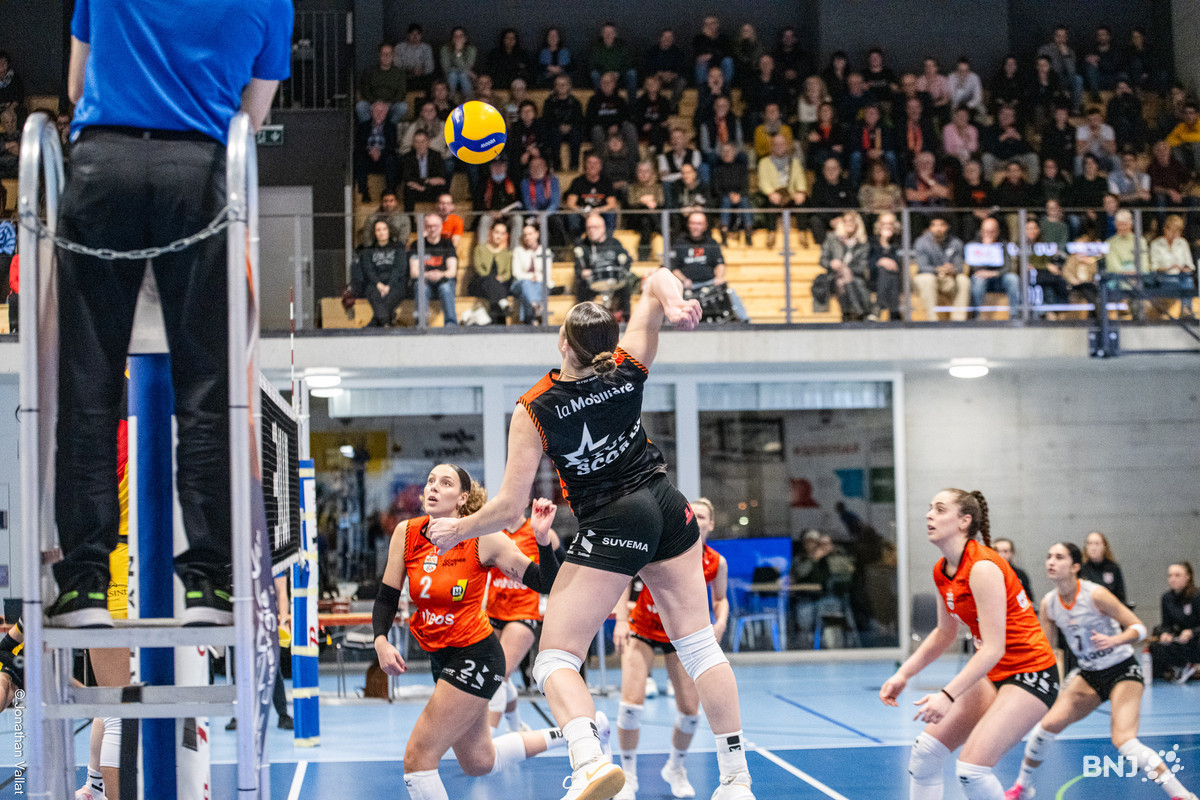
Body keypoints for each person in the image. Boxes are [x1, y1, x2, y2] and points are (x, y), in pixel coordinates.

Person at [427, 267, 756, 800]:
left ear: (563, 341)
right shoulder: (627, 366)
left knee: (556, 658)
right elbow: (657, 278)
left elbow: (509, 507)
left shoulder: (535, 407)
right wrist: (675, 305)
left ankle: (587, 761)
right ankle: (736, 780)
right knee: (699, 648)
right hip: (668, 507)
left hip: (613, 520)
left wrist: (457, 529)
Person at [48, 0, 290, 627]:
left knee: (88, 383)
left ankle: (84, 586)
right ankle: (209, 586)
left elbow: (75, 86)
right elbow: (252, 117)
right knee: (206, 388)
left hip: (103, 167)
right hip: (200, 173)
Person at [372, 468, 571, 799]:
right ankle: (574, 733)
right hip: (440, 655)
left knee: (417, 759)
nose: (434, 487)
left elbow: (545, 582)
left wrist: (541, 538)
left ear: (462, 498)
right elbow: (386, 597)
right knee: (479, 761)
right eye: (431, 481)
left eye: (445, 483)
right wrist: (380, 640)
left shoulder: (484, 538)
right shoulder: (406, 533)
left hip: (476, 655)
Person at [880, 489, 1058, 800]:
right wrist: (903, 674)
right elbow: (944, 633)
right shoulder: (942, 569)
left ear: (964, 521)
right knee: (925, 755)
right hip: (993, 673)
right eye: (930, 508)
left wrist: (947, 695)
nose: (929, 515)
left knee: (971, 771)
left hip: (1031, 673)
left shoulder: (982, 567)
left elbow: (993, 648)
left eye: (940, 509)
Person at [1006, 543, 1197, 800]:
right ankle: (1023, 787)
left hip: (1122, 670)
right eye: (1049, 556)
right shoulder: (1049, 604)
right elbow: (1045, 649)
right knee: (1045, 727)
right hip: (1089, 675)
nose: (1051, 561)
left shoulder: (1096, 595)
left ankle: (1182, 795)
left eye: (1059, 557)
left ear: (1075, 566)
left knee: (1125, 741)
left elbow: (1139, 628)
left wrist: (1115, 640)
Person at [612, 497, 730, 800]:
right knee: (630, 707)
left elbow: (720, 599)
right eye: (694, 514)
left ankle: (676, 768)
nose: (698, 520)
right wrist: (621, 621)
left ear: (711, 524)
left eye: (703, 516)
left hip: (680, 635)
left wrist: (720, 623)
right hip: (641, 629)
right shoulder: (660, 547)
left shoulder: (715, 562)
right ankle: (628, 775)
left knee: (690, 712)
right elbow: (623, 580)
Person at [485, 511, 562, 733]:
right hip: (494, 611)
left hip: (523, 612)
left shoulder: (539, 532)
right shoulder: (492, 533)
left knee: (498, 674)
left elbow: (563, 571)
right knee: (496, 674)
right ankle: (516, 726)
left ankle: (488, 736)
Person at [669, 211, 750, 322]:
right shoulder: (679, 243)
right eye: (693, 223)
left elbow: (720, 264)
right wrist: (684, 280)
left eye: (699, 224)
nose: (696, 227)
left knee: (730, 292)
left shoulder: (711, 243)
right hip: (688, 286)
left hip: (709, 283)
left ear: (705, 226)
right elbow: (674, 268)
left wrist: (719, 278)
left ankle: (746, 322)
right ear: (688, 225)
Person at [572, 212, 634, 319]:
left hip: (613, 281)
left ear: (603, 228)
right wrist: (583, 273)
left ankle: (625, 318)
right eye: (589, 228)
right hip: (593, 282)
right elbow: (578, 269)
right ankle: (583, 319)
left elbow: (627, 260)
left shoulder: (614, 243)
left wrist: (622, 267)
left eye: (595, 227)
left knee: (625, 286)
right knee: (581, 287)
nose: (591, 230)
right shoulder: (583, 246)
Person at [1150, 562, 1200, 684]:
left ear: (1188, 577)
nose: (1173, 579)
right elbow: (1166, 624)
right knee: (1156, 644)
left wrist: (1192, 632)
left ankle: (1193, 667)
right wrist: (1165, 633)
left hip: (1196, 636)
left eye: (1177, 575)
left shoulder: (1197, 596)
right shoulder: (1166, 598)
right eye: (1170, 576)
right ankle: (1171, 670)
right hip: (1180, 638)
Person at [912, 214, 969, 321]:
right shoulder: (922, 242)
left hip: (949, 279)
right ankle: (932, 321)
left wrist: (952, 269)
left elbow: (959, 267)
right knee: (927, 279)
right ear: (930, 227)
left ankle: (958, 320)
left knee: (963, 280)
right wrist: (938, 269)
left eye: (942, 225)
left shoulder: (956, 243)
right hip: (930, 278)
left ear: (947, 227)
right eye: (935, 225)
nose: (938, 228)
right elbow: (922, 267)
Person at [817, 211, 872, 321]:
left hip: (856, 278)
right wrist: (831, 263)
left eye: (852, 221)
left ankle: (846, 314)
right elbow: (822, 260)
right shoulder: (832, 239)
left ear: (857, 223)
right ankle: (859, 310)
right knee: (841, 278)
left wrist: (848, 270)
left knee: (843, 279)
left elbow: (863, 266)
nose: (849, 223)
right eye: (845, 221)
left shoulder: (863, 243)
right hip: (834, 276)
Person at [756, 133, 807, 248]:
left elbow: (800, 178)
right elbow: (763, 181)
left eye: (782, 144)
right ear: (772, 146)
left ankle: (802, 233)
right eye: (776, 144)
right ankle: (771, 233)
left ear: (786, 146)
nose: (779, 146)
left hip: (790, 194)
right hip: (773, 194)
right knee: (770, 202)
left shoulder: (794, 162)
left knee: (803, 201)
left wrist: (801, 192)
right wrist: (771, 193)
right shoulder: (764, 162)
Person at [353, 220, 408, 327]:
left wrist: (388, 286)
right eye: (378, 230)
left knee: (389, 297)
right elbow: (369, 270)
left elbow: (399, 269)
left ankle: (375, 323)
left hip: (395, 284)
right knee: (373, 294)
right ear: (374, 233)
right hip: (375, 284)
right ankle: (386, 324)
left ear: (389, 231)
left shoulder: (398, 248)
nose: (382, 232)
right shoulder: (368, 250)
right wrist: (379, 284)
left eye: (384, 229)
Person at [409, 213, 458, 326]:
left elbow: (452, 272)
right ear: (425, 227)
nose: (432, 229)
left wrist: (440, 274)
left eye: (435, 226)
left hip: (443, 279)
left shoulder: (447, 244)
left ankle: (451, 325)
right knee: (421, 287)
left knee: (445, 287)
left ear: (441, 227)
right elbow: (414, 272)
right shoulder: (417, 244)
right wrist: (428, 275)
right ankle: (421, 324)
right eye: (429, 226)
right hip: (424, 280)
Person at [968, 217, 1021, 319]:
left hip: (999, 278)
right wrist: (985, 248)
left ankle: (1014, 315)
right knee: (978, 281)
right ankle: (977, 316)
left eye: (992, 231)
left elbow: (1008, 267)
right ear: (981, 231)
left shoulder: (1003, 245)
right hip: (981, 278)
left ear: (997, 232)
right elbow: (973, 268)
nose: (989, 234)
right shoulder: (973, 245)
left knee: (1013, 278)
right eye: (986, 231)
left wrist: (993, 274)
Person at [469, 221, 514, 325]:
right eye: (497, 232)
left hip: (499, 285)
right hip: (481, 283)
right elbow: (479, 269)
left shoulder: (507, 253)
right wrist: (492, 279)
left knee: (497, 287)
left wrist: (502, 278)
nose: (499, 236)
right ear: (491, 232)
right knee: (491, 281)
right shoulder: (480, 249)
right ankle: (503, 306)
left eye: (502, 233)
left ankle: (495, 322)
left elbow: (508, 272)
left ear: (505, 236)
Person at [980, 105, 1038, 184]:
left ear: (1014, 118)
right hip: (999, 160)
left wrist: (1019, 138)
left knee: (1033, 157)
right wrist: (1002, 138)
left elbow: (1029, 150)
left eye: (1010, 115)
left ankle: (1032, 186)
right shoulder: (990, 129)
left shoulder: (1020, 129)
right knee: (986, 157)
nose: (1007, 117)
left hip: (1016, 158)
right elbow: (988, 149)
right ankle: (988, 186)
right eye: (1004, 114)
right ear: (999, 116)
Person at [355, 100, 400, 203]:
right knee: (359, 159)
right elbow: (359, 146)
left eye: (382, 111)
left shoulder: (391, 127)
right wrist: (370, 151)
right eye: (377, 111)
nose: (379, 114)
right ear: (371, 112)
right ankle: (364, 193)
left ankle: (390, 191)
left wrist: (380, 152)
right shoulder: (363, 126)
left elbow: (392, 146)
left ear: (386, 113)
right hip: (368, 156)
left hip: (384, 156)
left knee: (392, 160)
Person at [565, 154, 619, 238]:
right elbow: (571, 204)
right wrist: (583, 211)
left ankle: (608, 241)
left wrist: (597, 210)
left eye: (595, 163)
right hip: (583, 213)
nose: (592, 166)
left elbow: (612, 204)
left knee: (611, 212)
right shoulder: (577, 181)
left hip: (601, 213)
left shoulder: (607, 182)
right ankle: (577, 242)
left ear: (600, 166)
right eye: (589, 163)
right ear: (585, 165)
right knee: (572, 215)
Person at [586, 71, 638, 157]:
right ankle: (601, 161)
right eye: (604, 82)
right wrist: (607, 127)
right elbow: (590, 119)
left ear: (614, 84)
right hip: (601, 130)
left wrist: (617, 126)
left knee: (629, 127)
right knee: (596, 130)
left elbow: (626, 117)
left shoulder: (620, 100)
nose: (606, 84)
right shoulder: (593, 100)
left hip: (618, 130)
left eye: (609, 82)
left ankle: (634, 160)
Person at [511, 223, 554, 324]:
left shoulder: (545, 251)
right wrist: (531, 276)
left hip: (540, 284)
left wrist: (536, 277)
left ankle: (530, 319)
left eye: (530, 234)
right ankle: (537, 307)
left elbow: (547, 275)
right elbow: (516, 273)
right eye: (525, 235)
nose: (527, 237)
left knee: (527, 290)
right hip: (520, 284)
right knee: (526, 284)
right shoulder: (518, 251)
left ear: (537, 234)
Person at [1149, 214, 1197, 306]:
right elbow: (1154, 268)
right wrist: (1169, 268)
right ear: (1165, 229)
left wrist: (1183, 268)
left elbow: (1190, 266)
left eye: (1178, 231)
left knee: (1188, 281)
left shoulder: (1183, 242)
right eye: (1173, 231)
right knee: (1173, 282)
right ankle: (1168, 310)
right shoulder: (1155, 244)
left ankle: (1186, 310)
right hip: (1164, 277)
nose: (1175, 234)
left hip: (1181, 276)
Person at [357, 42, 408, 124]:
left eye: (389, 54)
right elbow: (365, 90)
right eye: (384, 54)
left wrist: (387, 104)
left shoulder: (399, 73)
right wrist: (376, 103)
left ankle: (389, 128)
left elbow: (401, 93)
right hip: (372, 104)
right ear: (379, 55)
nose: (386, 56)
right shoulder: (369, 71)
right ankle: (368, 129)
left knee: (402, 107)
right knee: (360, 106)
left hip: (391, 105)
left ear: (393, 56)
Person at [808, 158, 855, 246]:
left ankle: (852, 247)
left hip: (844, 218)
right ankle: (823, 248)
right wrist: (830, 220)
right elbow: (815, 207)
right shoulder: (817, 186)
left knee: (857, 217)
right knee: (815, 220)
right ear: (823, 171)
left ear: (840, 170)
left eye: (834, 168)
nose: (831, 171)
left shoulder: (847, 185)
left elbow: (852, 204)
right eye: (828, 169)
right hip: (826, 219)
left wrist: (843, 218)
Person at [713, 143, 753, 244]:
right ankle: (724, 231)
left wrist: (738, 195)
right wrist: (729, 195)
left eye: (729, 151)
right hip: (724, 197)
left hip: (740, 196)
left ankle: (748, 231)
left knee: (744, 201)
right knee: (726, 201)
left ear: (734, 153)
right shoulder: (717, 170)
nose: (726, 153)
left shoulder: (741, 168)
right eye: (724, 151)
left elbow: (745, 187)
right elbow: (716, 189)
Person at [544, 75, 586, 171]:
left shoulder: (575, 102)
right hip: (555, 131)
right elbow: (547, 120)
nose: (561, 87)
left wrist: (570, 127)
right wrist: (559, 126)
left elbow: (579, 120)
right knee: (554, 133)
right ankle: (557, 166)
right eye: (559, 84)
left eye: (564, 84)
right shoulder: (549, 102)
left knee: (576, 134)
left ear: (569, 86)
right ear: (555, 87)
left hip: (572, 131)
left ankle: (574, 166)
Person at [1037, 25, 1083, 111]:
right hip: (1050, 78)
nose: (1061, 39)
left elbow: (1072, 72)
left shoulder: (1070, 52)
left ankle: (1075, 109)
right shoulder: (1044, 49)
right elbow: (1041, 67)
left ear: (1067, 38)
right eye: (1058, 36)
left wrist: (1065, 55)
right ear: (1054, 37)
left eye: (1063, 36)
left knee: (1078, 79)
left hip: (1064, 79)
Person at [399, 130, 447, 212]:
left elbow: (441, 178)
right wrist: (427, 181)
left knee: (442, 189)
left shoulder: (436, 156)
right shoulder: (408, 157)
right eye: (417, 142)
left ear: (428, 143)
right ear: (413, 143)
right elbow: (407, 177)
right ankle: (410, 219)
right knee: (408, 189)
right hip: (415, 190)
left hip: (431, 189)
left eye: (423, 142)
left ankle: (441, 218)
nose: (420, 145)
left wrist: (424, 185)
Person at [473, 159, 523, 238]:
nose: (498, 168)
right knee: (484, 219)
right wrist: (491, 212)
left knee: (518, 219)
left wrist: (509, 212)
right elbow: (477, 204)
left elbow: (520, 203)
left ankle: (515, 246)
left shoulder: (513, 182)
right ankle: (481, 245)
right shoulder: (484, 183)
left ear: (505, 167)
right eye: (495, 166)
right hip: (491, 216)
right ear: (490, 168)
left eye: (501, 166)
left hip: (509, 216)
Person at [627, 161, 664, 262]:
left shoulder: (657, 187)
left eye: (646, 171)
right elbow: (631, 203)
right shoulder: (632, 187)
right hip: (635, 220)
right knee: (645, 212)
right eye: (640, 171)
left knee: (646, 222)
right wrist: (645, 203)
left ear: (651, 172)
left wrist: (644, 201)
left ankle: (642, 256)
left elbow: (660, 202)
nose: (643, 174)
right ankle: (660, 228)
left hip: (649, 221)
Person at [658, 128, 705, 209]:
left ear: (685, 140)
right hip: (674, 185)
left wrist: (674, 175)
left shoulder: (695, 153)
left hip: (691, 184)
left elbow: (695, 173)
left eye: (679, 138)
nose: (676, 141)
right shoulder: (663, 157)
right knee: (666, 184)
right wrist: (685, 174)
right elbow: (664, 178)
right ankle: (670, 211)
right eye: (673, 138)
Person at [868, 212, 903, 320]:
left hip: (898, 278)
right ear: (879, 226)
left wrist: (887, 246)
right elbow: (869, 263)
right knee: (884, 270)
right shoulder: (872, 242)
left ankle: (878, 306)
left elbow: (899, 262)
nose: (887, 226)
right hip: (875, 278)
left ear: (895, 226)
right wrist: (881, 259)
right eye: (884, 224)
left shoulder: (899, 242)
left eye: (890, 224)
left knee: (888, 272)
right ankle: (894, 312)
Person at [644, 29, 688, 113]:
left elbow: (682, 68)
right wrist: (661, 74)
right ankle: (654, 107)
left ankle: (671, 107)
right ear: (660, 38)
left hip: (673, 79)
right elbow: (648, 68)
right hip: (657, 78)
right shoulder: (652, 51)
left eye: (670, 37)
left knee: (682, 82)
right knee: (652, 82)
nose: (668, 39)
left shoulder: (678, 52)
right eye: (665, 37)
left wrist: (672, 75)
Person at [588, 23, 637, 95]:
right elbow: (592, 66)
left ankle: (632, 101)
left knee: (632, 73)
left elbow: (628, 64)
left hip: (619, 77)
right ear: (602, 34)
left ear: (615, 34)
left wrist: (618, 73)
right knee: (594, 74)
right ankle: (599, 99)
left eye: (611, 32)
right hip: (603, 76)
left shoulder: (622, 48)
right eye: (606, 32)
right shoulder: (596, 49)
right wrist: (605, 74)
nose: (608, 35)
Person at [1080, 531, 1127, 605]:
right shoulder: (1081, 569)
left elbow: (1121, 596)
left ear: (1104, 547)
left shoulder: (1113, 568)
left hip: (1109, 608)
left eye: (1097, 544)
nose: (1093, 548)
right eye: (1090, 543)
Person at [632, 76, 672, 153]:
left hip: (659, 128)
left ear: (658, 85)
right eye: (649, 84)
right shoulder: (640, 101)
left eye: (653, 83)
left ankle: (653, 153)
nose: (651, 86)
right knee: (655, 130)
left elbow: (664, 119)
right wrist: (643, 124)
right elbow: (638, 117)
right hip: (644, 129)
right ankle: (657, 155)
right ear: (645, 86)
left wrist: (653, 124)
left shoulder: (664, 100)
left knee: (657, 130)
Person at [693, 15, 733, 88]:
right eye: (707, 24)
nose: (710, 26)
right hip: (706, 65)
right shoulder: (699, 38)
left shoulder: (723, 38)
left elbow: (726, 52)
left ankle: (725, 86)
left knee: (728, 61)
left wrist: (712, 55)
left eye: (712, 23)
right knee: (701, 61)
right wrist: (706, 37)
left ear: (717, 25)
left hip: (720, 64)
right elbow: (699, 52)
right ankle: (703, 87)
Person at [1075, 107, 1117, 175]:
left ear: (1101, 119)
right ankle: (1079, 180)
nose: (1093, 122)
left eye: (1096, 119)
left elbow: (1113, 151)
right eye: (1090, 120)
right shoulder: (1081, 130)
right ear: (1087, 121)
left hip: (1103, 158)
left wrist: (1100, 139)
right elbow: (1079, 152)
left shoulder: (1108, 129)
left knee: (1116, 158)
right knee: (1078, 159)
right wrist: (1090, 140)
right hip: (1088, 159)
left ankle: (1115, 179)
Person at [440, 27, 477, 101]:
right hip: (449, 76)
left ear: (465, 38)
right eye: (455, 36)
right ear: (452, 39)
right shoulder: (445, 49)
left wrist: (457, 53)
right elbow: (446, 68)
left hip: (467, 77)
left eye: (461, 36)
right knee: (453, 74)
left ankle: (468, 100)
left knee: (462, 75)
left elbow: (469, 66)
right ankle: (450, 100)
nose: (458, 38)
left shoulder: (471, 49)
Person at [395, 24, 435, 92]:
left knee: (431, 79)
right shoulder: (399, 48)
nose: (415, 36)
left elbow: (430, 67)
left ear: (421, 35)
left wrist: (421, 71)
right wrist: (410, 69)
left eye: (417, 34)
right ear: (408, 35)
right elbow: (397, 65)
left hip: (422, 76)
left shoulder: (427, 48)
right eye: (412, 34)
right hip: (406, 76)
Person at [1165, 102, 1200, 175]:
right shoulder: (1181, 126)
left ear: (1197, 114)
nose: (1188, 116)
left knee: (1197, 145)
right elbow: (1168, 141)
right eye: (1186, 113)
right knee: (1175, 148)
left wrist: (1182, 137)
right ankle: (1183, 173)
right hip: (1187, 156)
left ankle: (1198, 173)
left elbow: (1198, 137)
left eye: (1191, 113)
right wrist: (1182, 142)